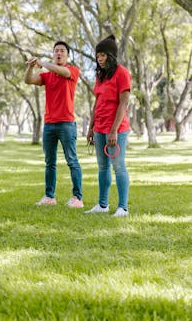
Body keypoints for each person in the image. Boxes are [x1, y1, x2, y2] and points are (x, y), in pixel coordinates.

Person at [25, 41, 84, 208]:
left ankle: (77, 198)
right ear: (53, 54)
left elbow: (62, 71)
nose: (59, 53)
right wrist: (30, 66)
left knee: (72, 161)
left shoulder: (72, 71)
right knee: (50, 162)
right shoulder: (47, 76)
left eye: (62, 51)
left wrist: (42, 63)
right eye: (56, 51)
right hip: (49, 124)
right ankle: (49, 197)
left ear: (67, 55)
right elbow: (28, 80)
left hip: (66, 124)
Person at [85, 35, 131, 217]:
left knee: (118, 166)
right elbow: (97, 103)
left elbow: (123, 104)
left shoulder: (122, 73)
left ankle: (123, 208)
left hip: (116, 129)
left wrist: (113, 131)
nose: (100, 59)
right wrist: (90, 128)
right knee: (102, 167)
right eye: (98, 56)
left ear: (111, 56)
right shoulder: (100, 76)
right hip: (99, 128)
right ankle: (102, 205)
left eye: (103, 55)